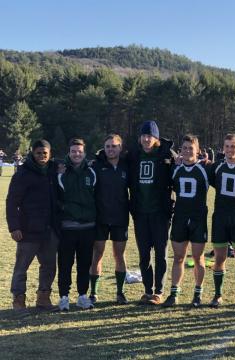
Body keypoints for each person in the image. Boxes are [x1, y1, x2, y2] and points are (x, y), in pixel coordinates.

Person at [6, 140, 59, 310]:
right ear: (32, 153)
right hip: (28, 230)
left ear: (50, 153)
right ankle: (18, 300)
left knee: (49, 266)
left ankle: (43, 297)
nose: (42, 156)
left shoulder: (53, 170)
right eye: (38, 153)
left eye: (45, 153)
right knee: (21, 267)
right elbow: (12, 203)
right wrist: (14, 227)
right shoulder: (22, 174)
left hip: (49, 229)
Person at [127, 120, 175, 305]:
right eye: (144, 135)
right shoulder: (133, 156)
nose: (146, 139)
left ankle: (159, 291)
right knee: (144, 254)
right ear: (140, 138)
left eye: (150, 136)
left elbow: (183, 168)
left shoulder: (166, 155)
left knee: (161, 253)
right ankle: (147, 290)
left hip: (160, 213)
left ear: (156, 138)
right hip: (140, 213)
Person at [162, 134, 210, 308]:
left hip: (198, 219)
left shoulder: (205, 168)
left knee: (198, 258)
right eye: (185, 148)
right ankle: (174, 293)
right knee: (179, 257)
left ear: (197, 150)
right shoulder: (175, 169)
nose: (188, 151)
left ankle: (198, 293)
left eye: (191, 148)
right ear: (180, 151)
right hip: (180, 218)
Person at [208, 134, 235, 309]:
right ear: (223, 148)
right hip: (220, 217)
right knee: (219, 257)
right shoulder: (216, 167)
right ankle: (218, 295)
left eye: (233, 146)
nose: (230, 149)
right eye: (227, 146)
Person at [89, 134, 130, 305]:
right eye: (107, 146)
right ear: (103, 148)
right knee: (97, 254)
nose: (110, 149)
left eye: (114, 146)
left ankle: (120, 292)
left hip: (120, 217)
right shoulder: (96, 166)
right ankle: (93, 293)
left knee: (119, 255)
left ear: (120, 147)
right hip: (100, 217)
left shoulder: (127, 166)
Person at [57, 138, 97, 311]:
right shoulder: (61, 172)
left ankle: (82, 296)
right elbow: (57, 199)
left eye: (79, 151)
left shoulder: (92, 172)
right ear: (69, 152)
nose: (76, 154)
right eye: (73, 151)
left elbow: (97, 197)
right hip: (67, 228)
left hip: (88, 227)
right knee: (65, 264)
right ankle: (64, 297)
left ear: (84, 153)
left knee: (84, 264)